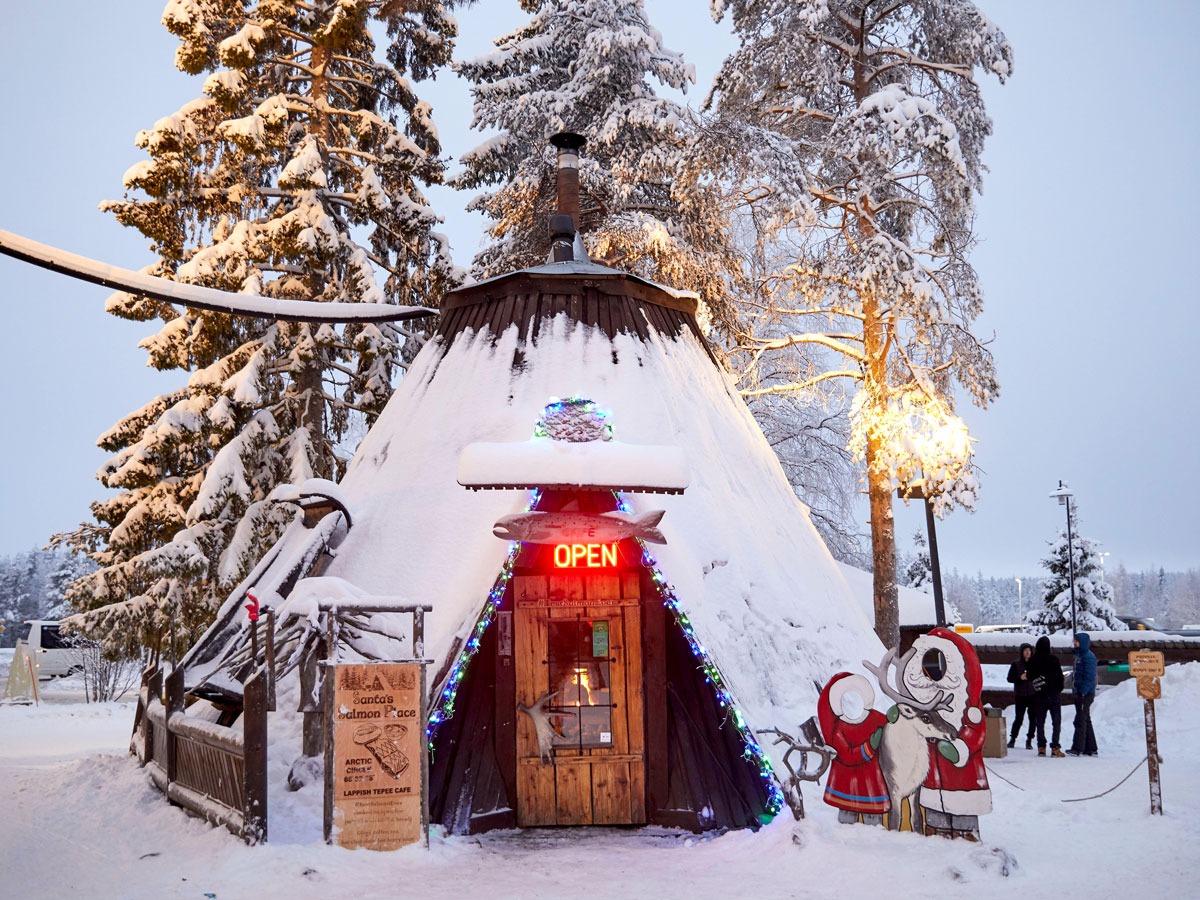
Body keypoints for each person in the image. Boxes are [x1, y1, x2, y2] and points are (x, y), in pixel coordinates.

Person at [1028, 636, 1065, 757]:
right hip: (1053, 694)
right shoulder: (1054, 659)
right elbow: (1060, 677)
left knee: (1040, 722)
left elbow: (1029, 676)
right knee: (1056, 722)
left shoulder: (1033, 660)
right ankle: (1055, 747)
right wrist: (1058, 689)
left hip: (1039, 695)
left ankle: (1041, 747)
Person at [1067, 632, 1099, 756]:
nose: (1075, 643)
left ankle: (1077, 748)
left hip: (1085, 693)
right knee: (1085, 719)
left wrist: (1083, 692)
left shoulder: (1088, 657)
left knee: (1080, 720)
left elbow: (1089, 676)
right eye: (1074, 641)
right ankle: (1091, 748)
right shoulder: (1079, 656)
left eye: (1077, 641)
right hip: (1080, 692)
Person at [1006, 643, 1036, 749]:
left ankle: (1029, 739)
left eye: (1029, 650)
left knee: (1033, 719)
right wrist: (1020, 678)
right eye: (1025, 650)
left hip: (1032, 694)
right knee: (1019, 718)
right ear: (1022, 652)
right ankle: (1013, 738)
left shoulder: (1034, 664)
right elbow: (1009, 678)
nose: (1028, 652)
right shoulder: (1016, 664)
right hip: (1020, 695)